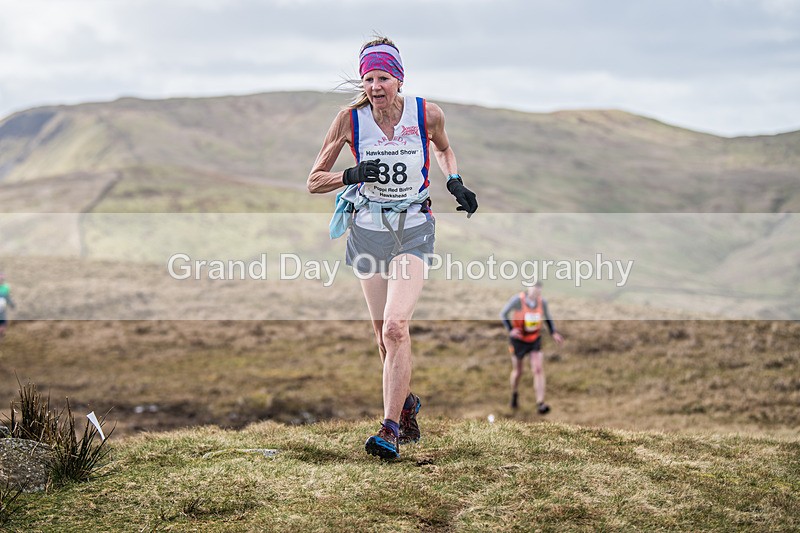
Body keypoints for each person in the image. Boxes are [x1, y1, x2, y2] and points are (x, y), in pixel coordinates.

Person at [308, 36, 478, 459]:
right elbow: (314, 180)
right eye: (368, 77)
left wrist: (454, 180)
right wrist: (352, 174)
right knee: (382, 339)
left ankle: (388, 431)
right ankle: (406, 404)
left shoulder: (427, 114)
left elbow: (444, 150)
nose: (375, 85)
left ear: (399, 79)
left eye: (383, 77)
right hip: (367, 229)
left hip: (414, 225)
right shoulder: (349, 120)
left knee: (396, 327)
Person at [500, 281, 564, 414]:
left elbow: (548, 318)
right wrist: (511, 330)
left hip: (534, 339)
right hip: (518, 341)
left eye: (538, 290)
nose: (536, 293)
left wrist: (554, 333)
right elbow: (503, 314)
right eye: (534, 289)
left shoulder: (542, 302)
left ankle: (540, 403)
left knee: (538, 369)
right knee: (518, 371)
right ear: (529, 288)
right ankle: (514, 394)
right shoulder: (517, 300)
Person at [0, 273, 16, 341]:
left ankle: (1, 335)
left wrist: (12, 304)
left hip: (2, 309)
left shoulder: (5, 288)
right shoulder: (5, 288)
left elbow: (7, 297)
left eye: (1, 279)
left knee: (3, 323)